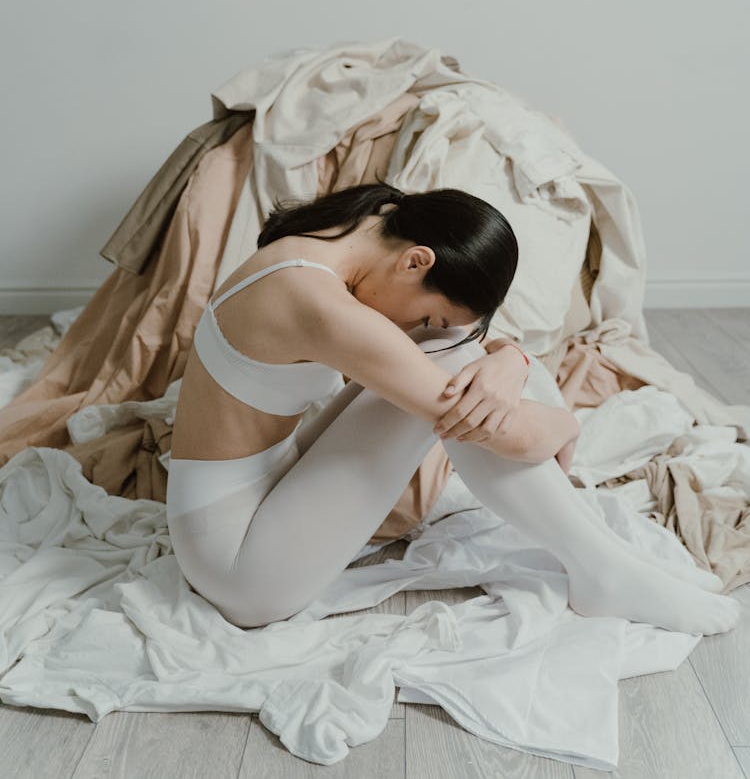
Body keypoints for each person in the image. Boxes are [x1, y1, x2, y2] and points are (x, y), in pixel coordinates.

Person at [166, 182, 739, 635]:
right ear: (416, 261)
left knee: (467, 363)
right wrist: (565, 423)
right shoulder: (313, 301)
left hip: (262, 492)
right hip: (239, 566)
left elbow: (467, 349)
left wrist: (510, 359)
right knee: (460, 380)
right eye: (428, 316)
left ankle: (602, 560)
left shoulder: (369, 224)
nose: (416, 330)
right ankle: (605, 571)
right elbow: (509, 436)